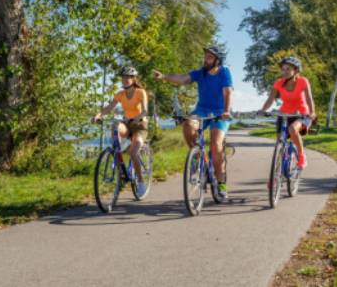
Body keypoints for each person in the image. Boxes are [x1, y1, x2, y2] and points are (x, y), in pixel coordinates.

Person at [153, 46, 233, 199]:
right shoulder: (200, 73)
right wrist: (164, 77)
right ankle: (197, 157)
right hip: (201, 109)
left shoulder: (224, 72)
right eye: (205, 56)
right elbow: (182, 79)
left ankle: (221, 183)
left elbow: (228, 91)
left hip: (220, 112)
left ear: (217, 60)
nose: (205, 59)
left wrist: (226, 111)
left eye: (209, 57)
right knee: (188, 124)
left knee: (216, 145)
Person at [92, 66, 149, 197]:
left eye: (129, 77)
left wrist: (137, 118)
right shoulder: (120, 94)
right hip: (128, 123)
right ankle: (118, 159)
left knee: (133, 153)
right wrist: (98, 115)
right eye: (124, 77)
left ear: (134, 79)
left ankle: (140, 181)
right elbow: (109, 108)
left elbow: (145, 110)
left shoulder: (140, 92)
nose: (126, 79)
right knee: (115, 127)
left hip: (140, 125)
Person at [258, 56, 316, 175]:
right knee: (280, 140)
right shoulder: (278, 83)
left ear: (296, 70)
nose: (284, 72)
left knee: (292, 129)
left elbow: (309, 98)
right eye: (283, 69)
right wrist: (263, 110)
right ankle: (279, 167)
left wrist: (312, 112)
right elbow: (270, 99)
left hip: (301, 114)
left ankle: (301, 157)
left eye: (288, 69)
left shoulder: (303, 81)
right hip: (284, 113)